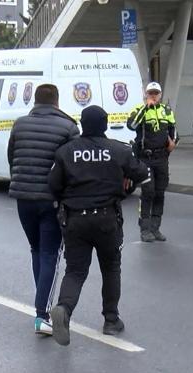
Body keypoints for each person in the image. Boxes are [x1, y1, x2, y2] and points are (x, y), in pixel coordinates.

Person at [48, 105, 150, 346]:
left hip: (75, 219)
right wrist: (126, 186)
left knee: (75, 270)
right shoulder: (118, 150)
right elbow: (144, 176)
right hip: (106, 219)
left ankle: (64, 308)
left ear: (82, 123)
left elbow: (53, 185)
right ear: (105, 125)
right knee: (111, 267)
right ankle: (111, 320)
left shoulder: (66, 151)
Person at [7, 84, 80, 335]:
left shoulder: (20, 124)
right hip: (51, 200)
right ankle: (42, 314)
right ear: (57, 102)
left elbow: (11, 156)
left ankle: (42, 307)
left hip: (23, 197)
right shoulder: (69, 127)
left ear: (35, 101)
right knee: (50, 254)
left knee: (36, 250)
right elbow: (72, 166)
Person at [127, 82, 176, 243]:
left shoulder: (166, 110)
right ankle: (145, 228)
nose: (153, 96)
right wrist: (145, 108)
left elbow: (173, 130)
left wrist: (173, 142)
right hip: (145, 158)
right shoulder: (138, 110)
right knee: (148, 192)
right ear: (146, 95)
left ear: (160, 95)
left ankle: (156, 227)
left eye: (156, 93)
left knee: (160, 192)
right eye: (150, 93)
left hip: (161, 158)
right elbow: (132, 125)